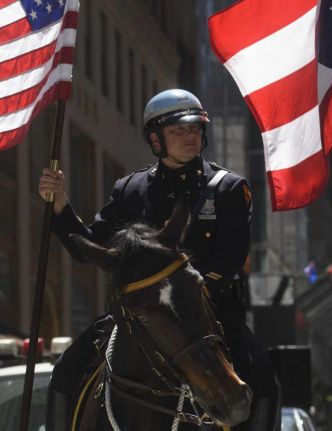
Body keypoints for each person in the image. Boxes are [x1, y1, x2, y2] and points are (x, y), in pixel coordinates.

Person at [39, 89, 280, 431]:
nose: (189, 136)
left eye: (195, 129)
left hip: (209, 315)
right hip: (137, 316)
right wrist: (60, 205)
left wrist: (185, 300)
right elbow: (88, 248)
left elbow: (229, 258)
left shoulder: (228, 188)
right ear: (156, 139)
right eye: (178, 130)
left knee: (261, 373)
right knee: (66, 369)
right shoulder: (130, 188)